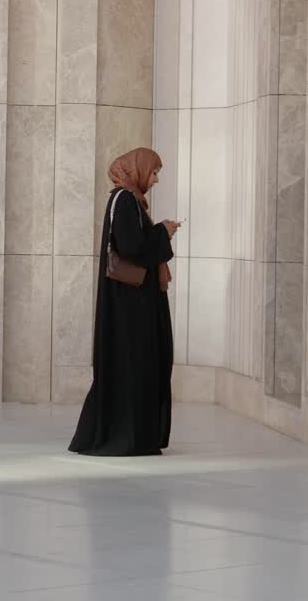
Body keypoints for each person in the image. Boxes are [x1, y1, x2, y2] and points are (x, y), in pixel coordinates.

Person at [69, 148, 181, 456]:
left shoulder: (130, 200)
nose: (156, 179)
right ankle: (126, 437)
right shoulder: (126, 200)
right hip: (132, 306)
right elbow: (132, 248)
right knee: (136, 363)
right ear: (137, 169)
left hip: (132, 303)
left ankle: (132, 435)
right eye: (154, 172)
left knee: (136, 364)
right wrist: (163, 232)